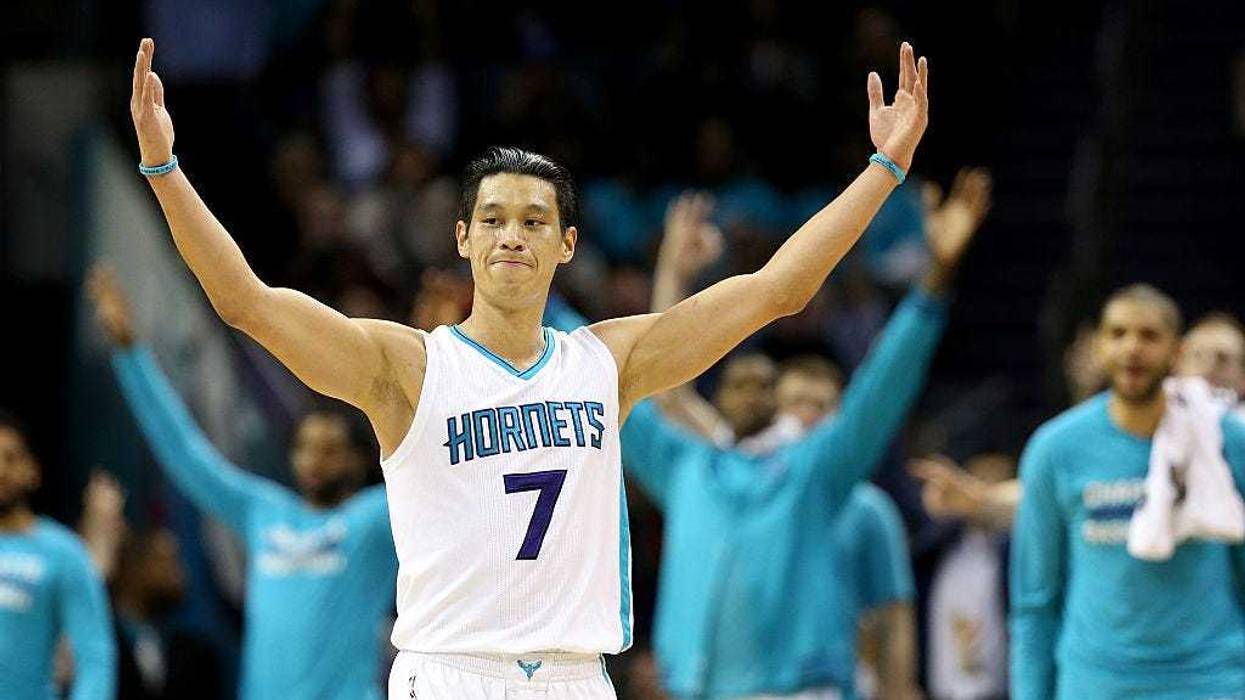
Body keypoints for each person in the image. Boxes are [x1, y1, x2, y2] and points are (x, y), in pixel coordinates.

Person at [128, 36, 930, 699]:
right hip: (450, 671)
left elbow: (775, 290)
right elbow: (247, 303)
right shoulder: (406, 367)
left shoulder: (608, 360)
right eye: (493, 219)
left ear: (566, 244)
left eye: (534, 220)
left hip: (575, 676)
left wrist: (881, 171)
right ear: (463, 238)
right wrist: (165, 170)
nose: (512, 234)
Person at [616, 169, 989, 699]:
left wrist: (932, 285)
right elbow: (634, 384)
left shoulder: (827, 481)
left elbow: (879, 392)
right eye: (794, 403)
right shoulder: (697, 467)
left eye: (820, 407)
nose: (804, 417)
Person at [88, 265, 396, 700]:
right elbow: (185, 454)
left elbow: (436, 466)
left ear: (358, 460)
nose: (314, 460)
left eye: (329, 449)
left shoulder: (375, 518)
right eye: (305, 447)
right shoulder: (264, 510)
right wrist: (130, 355)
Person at [1010, 285, 1245, 699]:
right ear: (1098, 346)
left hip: (1208, 680)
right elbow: (1035, 600)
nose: (1132, 348)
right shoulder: (1056, 449)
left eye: (1149, 335)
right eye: (1117, 333)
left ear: (1177, 352)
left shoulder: (1225, 441)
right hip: (1096, 684)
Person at [0, 410, 116, 699]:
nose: (0, 470)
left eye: (10, 459)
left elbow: (94, 657)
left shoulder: (64, 553)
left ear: (32, 471)